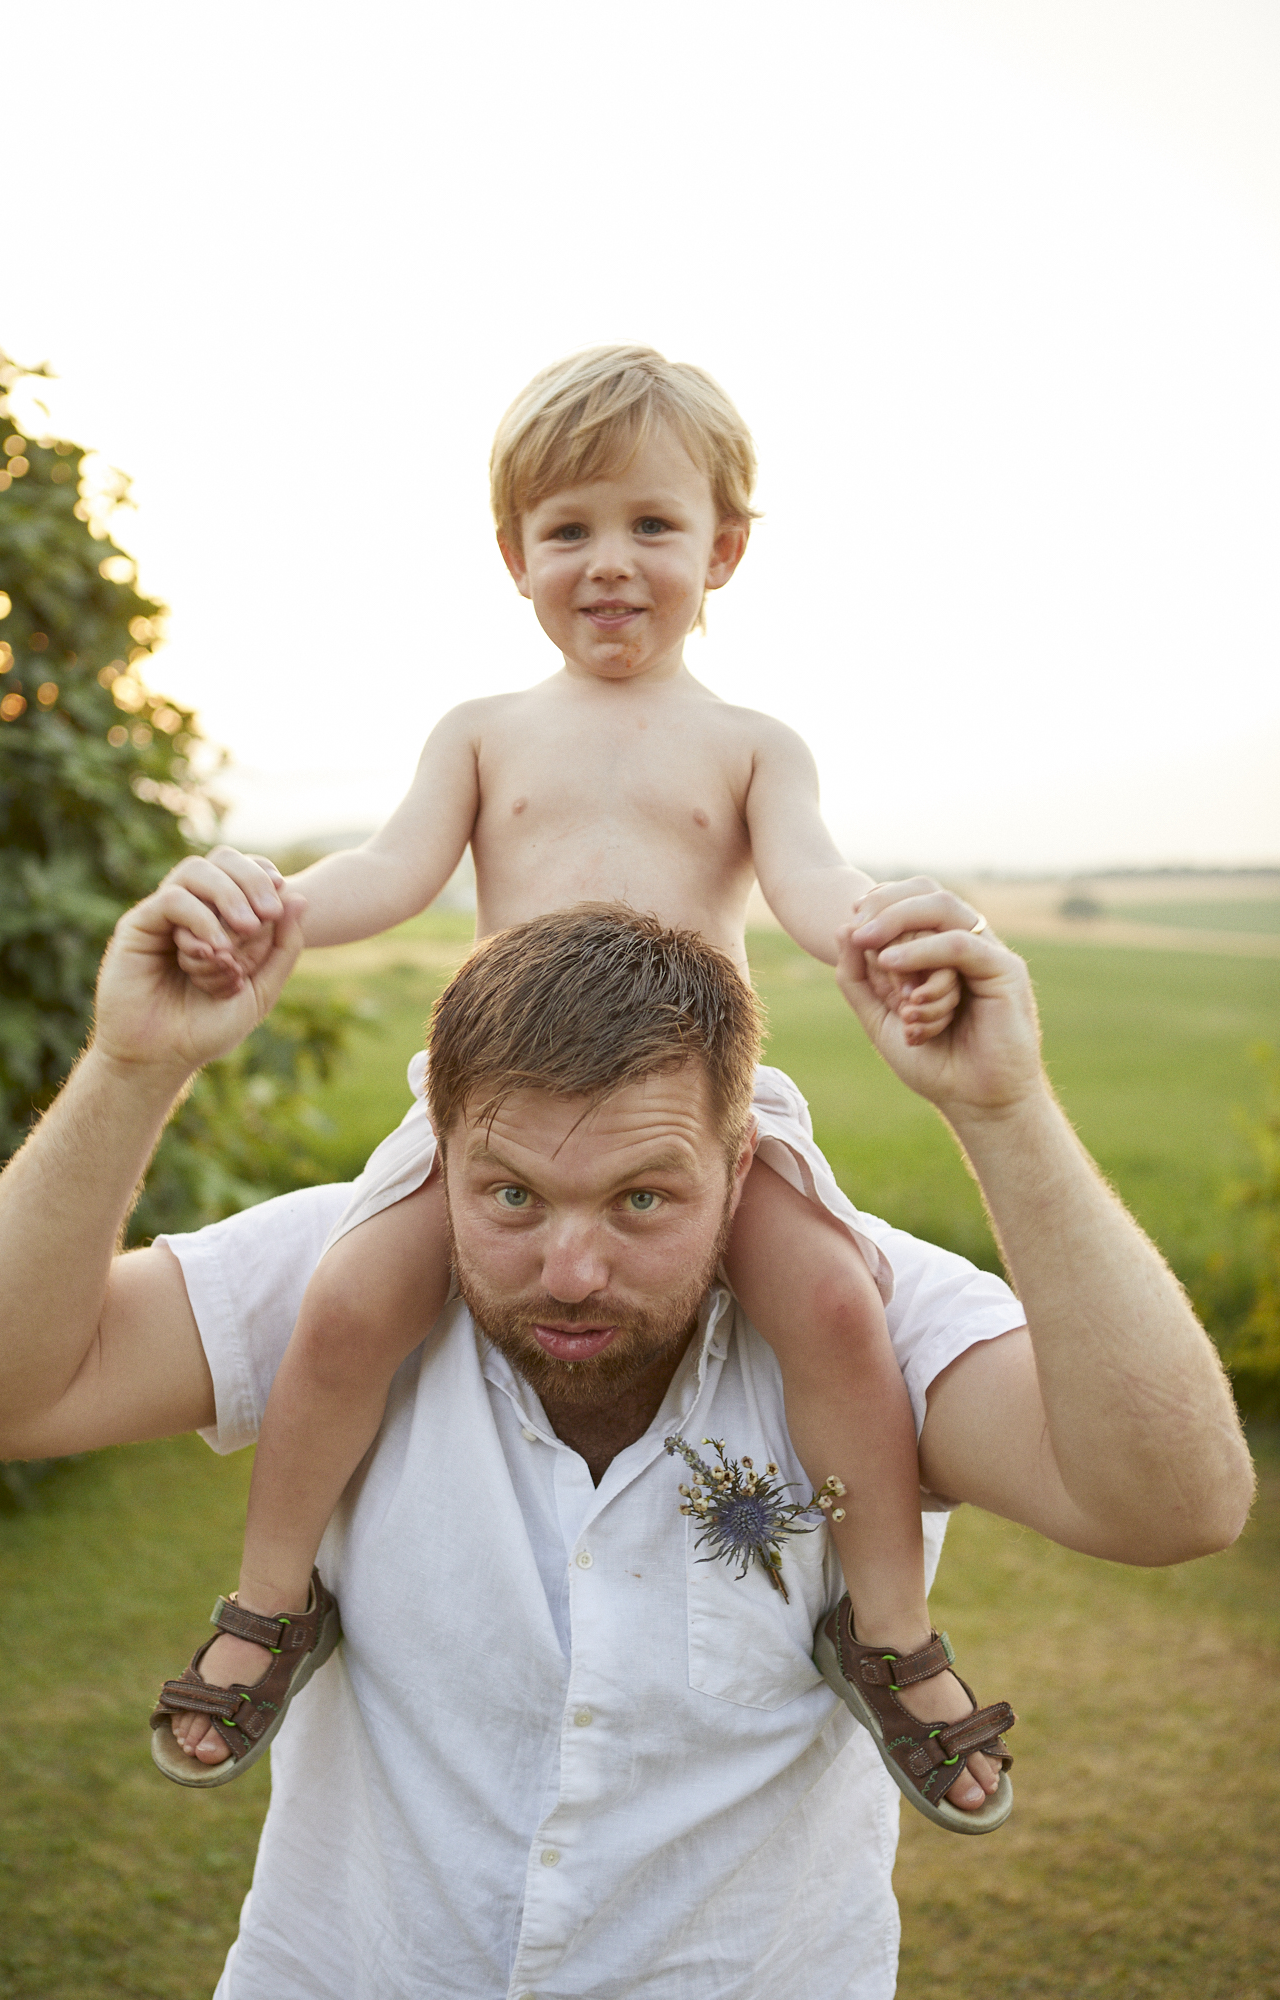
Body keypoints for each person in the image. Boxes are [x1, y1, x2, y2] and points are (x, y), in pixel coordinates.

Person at [0, 891, 1251, 2000]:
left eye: (642, 1198)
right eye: (509, 1193)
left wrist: (1004, 1110)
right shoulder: (334, 1268)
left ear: (743, 1167)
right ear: (435, 1157)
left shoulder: (875, 1317)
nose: (571, 1271)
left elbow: (1173, 1505)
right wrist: (133, 1068)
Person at [149, 344, 1003, 1812]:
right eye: (569, 530)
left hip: (700, 1107)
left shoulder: (747, 745)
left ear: (722, 548)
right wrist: (269, 909)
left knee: (836, 1308)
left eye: (652, 526)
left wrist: (885, 935)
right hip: (502, 1101)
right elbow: (389, 869)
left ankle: (887, 1626)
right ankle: (273, 1599)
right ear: (513, 557)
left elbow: (810, 886)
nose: (611, 562)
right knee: (352, 1300)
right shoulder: (482, 733)